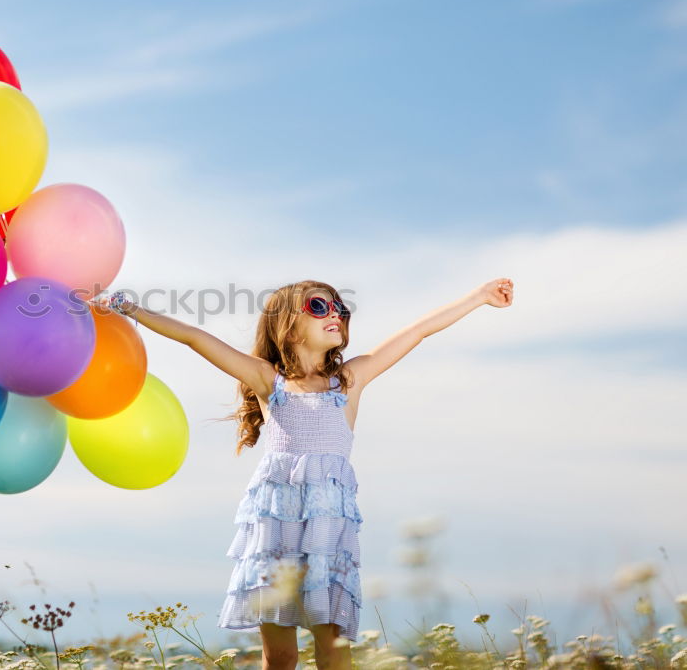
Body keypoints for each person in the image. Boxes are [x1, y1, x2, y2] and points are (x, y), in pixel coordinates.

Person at [103, 277, 514, 670]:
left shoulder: (349, 381)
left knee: (333, 653)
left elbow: (417, 331)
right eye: (319, 306)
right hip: (276, 530)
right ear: (288, 325)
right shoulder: (269, 380)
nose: (334, 313)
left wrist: (478, 297)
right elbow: (195, 337)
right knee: (279, 659)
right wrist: (129, 308)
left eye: (339, 307)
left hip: (328, 531)